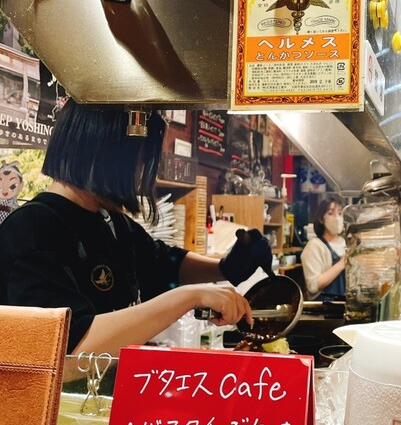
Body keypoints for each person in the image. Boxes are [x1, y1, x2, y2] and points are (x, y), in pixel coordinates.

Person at [0, 100, 272, 357]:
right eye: (141, 160)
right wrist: (192, 296)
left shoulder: (109, 220)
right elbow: (72, 347)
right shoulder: (31, 231)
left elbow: (161, 264)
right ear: (109, 153)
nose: (141, 173)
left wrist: (225, 268)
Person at [300, 195, 345, 301]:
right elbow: (313, 286)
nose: (337, 218)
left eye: (340, 213)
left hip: (345, 305)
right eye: (330, 213)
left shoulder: (346, 243)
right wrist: (341, 264)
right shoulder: (314, 246)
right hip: (324, 307)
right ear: (321, 219)